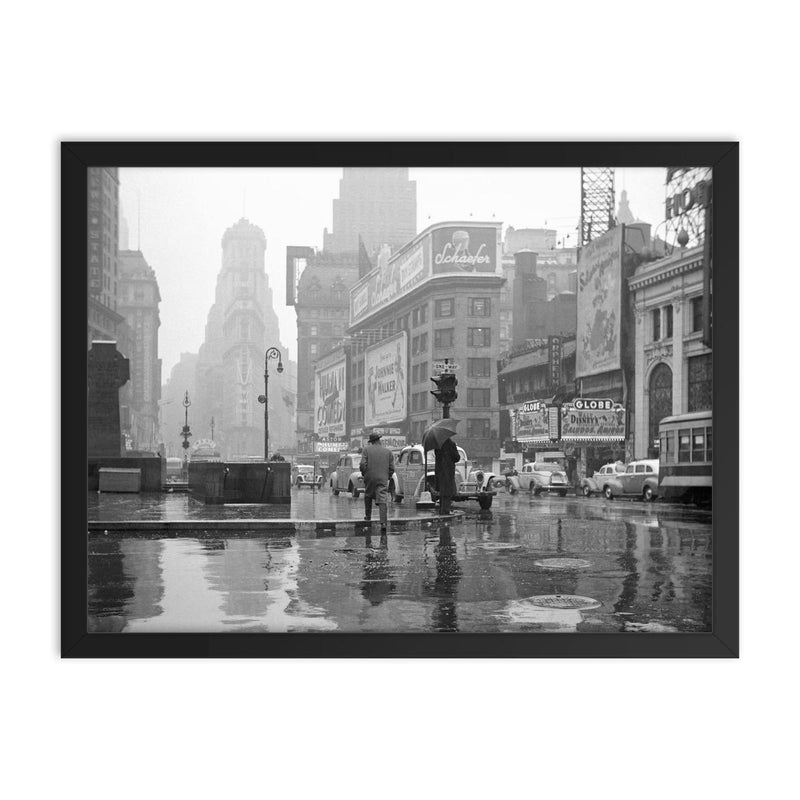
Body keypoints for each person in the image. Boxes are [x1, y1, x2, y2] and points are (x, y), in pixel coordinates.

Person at [359, 432, 395, 533]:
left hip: (370, 476)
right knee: (382, 498)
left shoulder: (366, 450)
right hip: (383, 477)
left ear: (371, 442)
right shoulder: (388, 452)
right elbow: (392, 468)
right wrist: (388, 476)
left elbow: (362, 464)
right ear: (379, 440)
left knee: (368, 495)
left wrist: (364, 472)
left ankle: (368, 516)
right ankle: (383, 523)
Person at [434, 436, 460, 515]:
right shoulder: (451, 444)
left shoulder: (437, 445)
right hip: (448, 470)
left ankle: (442, 510)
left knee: (442, 491)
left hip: (440, 471)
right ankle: (446, 510)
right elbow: (457, 457)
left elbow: (437, 457)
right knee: (448, 492)